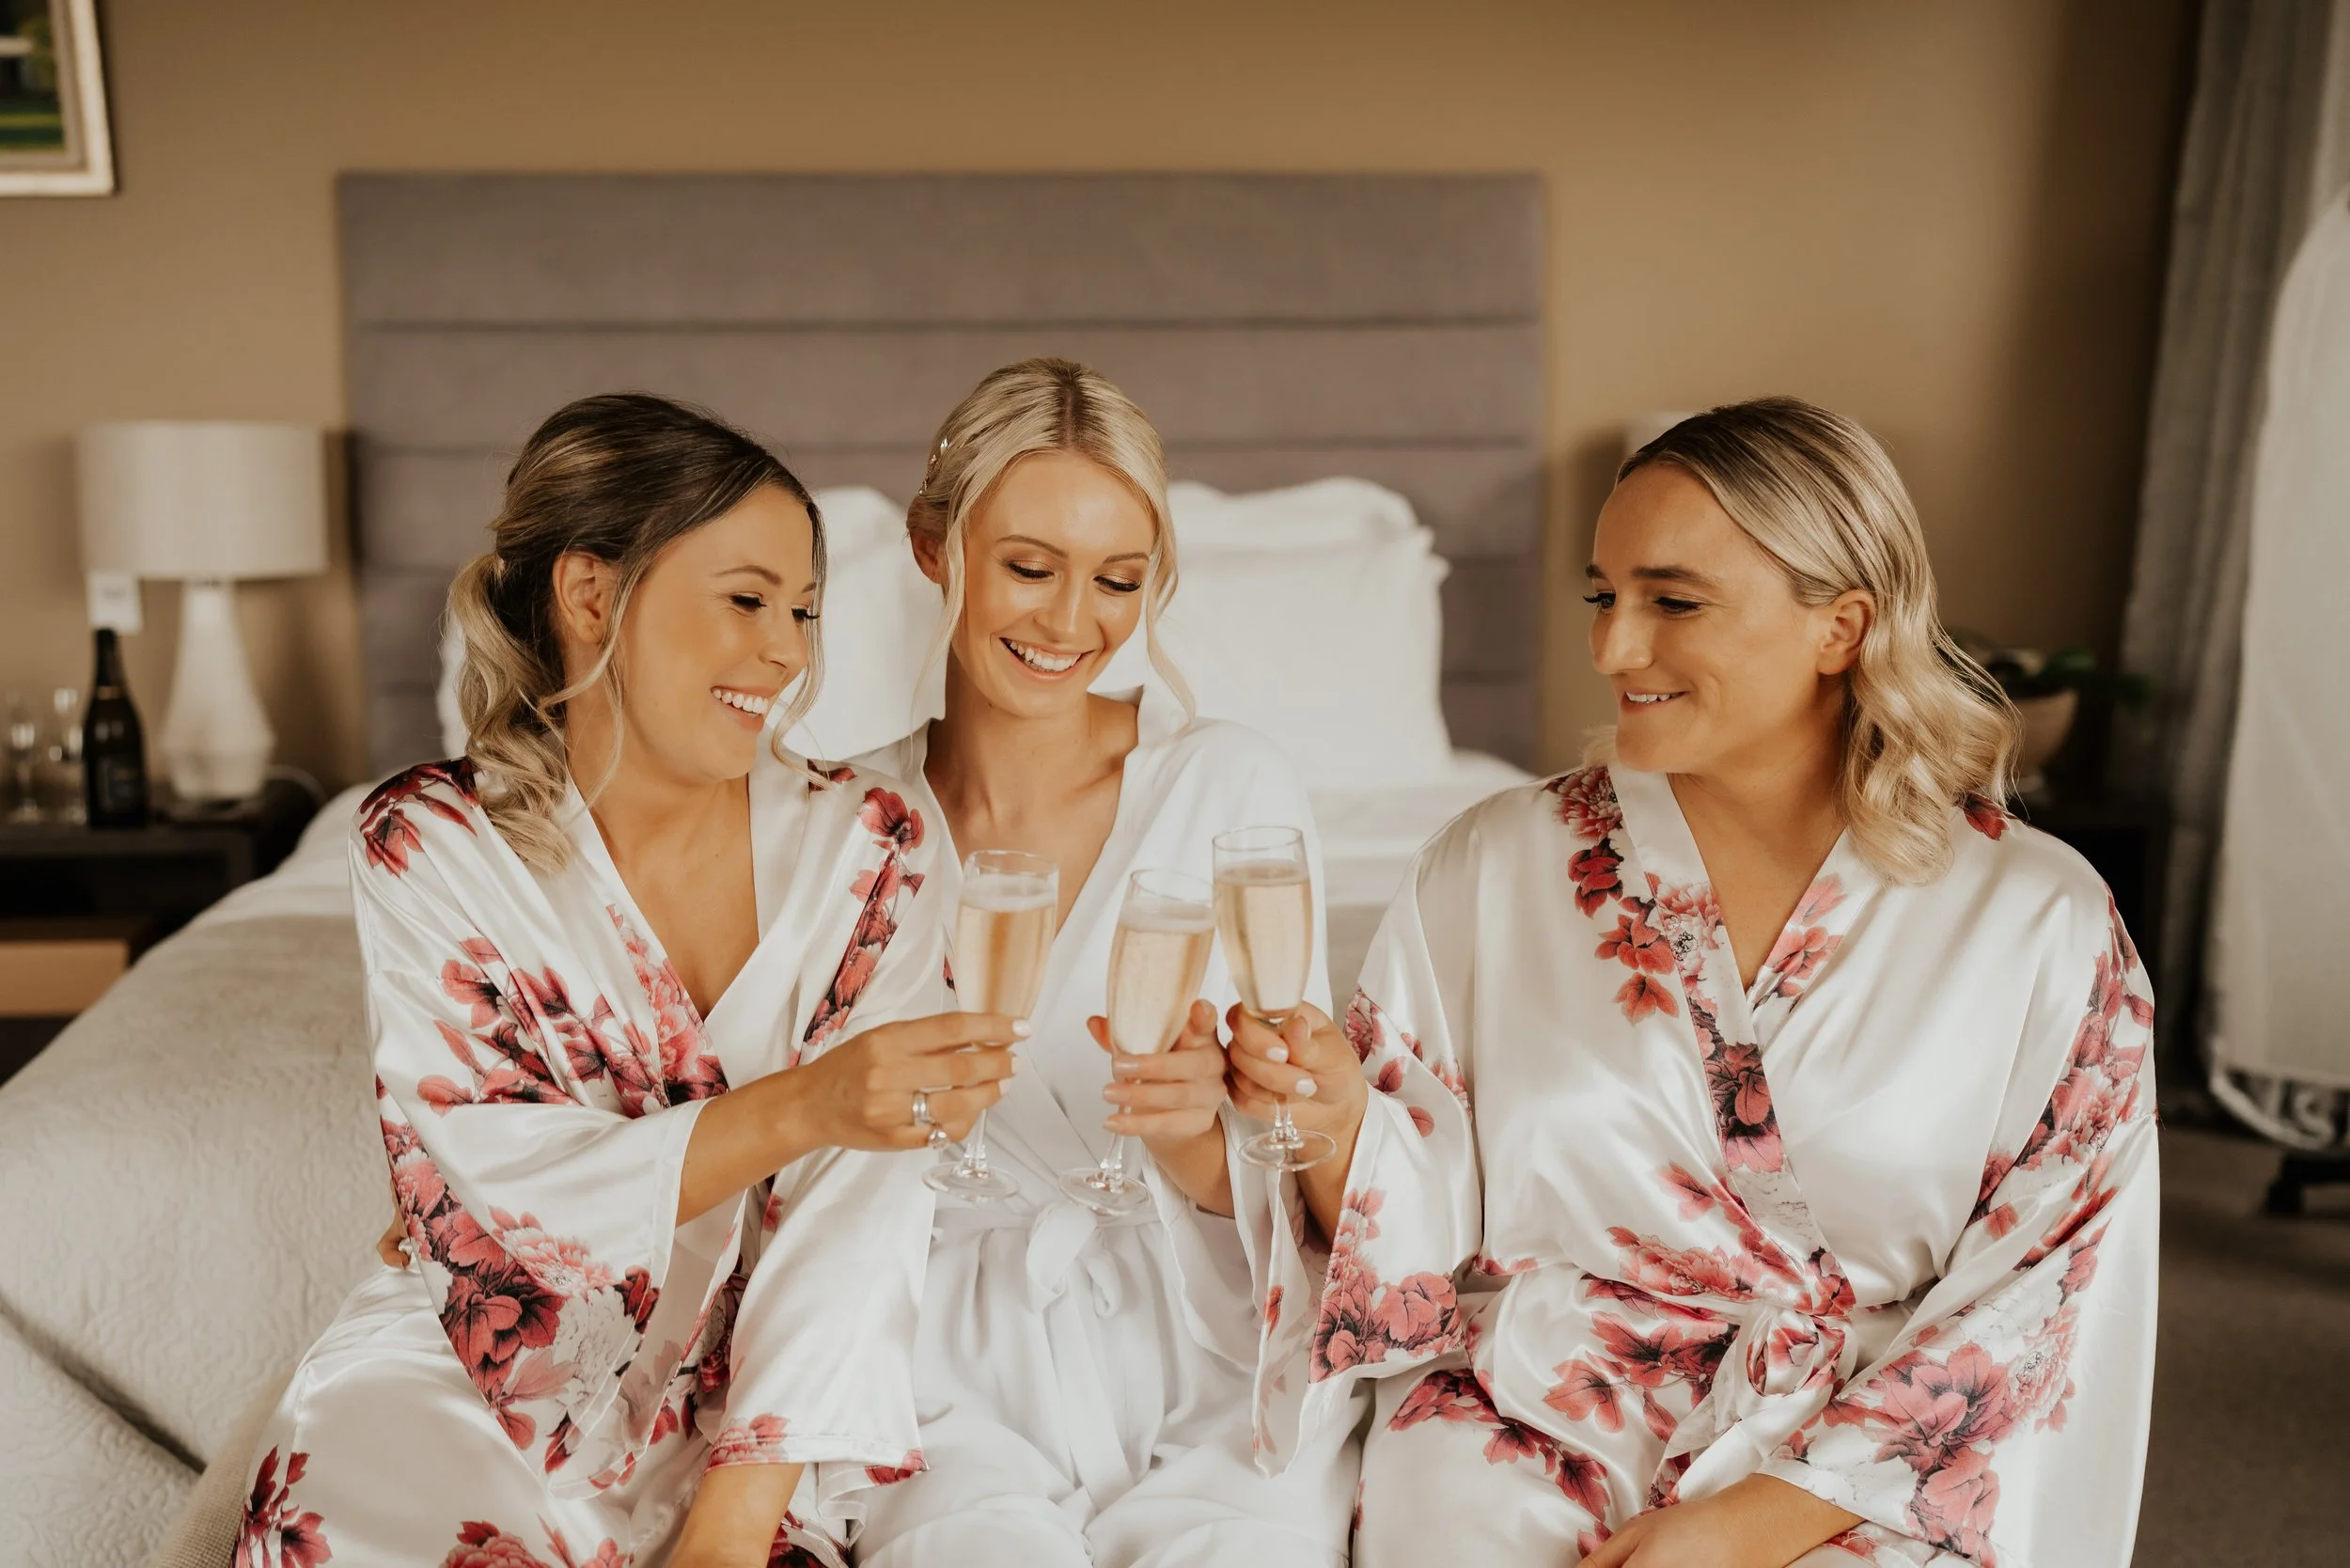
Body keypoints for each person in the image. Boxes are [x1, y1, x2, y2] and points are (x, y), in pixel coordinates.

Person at [1223, 397, 2159, 1567]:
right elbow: (1415, 1245)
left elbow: (2048, 1284)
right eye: (1601, 597)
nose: (1615, 649)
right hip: (1526, 1421)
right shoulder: (1494, 866)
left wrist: (1749, 1524)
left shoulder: (2039, 921)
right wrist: (1333, 1120)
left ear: (1841, 626)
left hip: (1862, 1465)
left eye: (1673, 601)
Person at [240, 394, 1019, 1568]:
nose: (790, 651)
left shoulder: (870, 847)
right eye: (748, 600)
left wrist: (736, 1516)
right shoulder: (430, 842)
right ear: (592, 593)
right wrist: (807, 1105)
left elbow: (863, 1209)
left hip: (754, 1394)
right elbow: (483, 1188)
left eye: (804, 610)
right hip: (469, 1373)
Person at [838, 358, 1359, 1567]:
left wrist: (1190, 1141)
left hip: (1209, 1358)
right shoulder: (843, 823)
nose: (1072, 625)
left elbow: (1299, 1178)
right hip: (941, 1377)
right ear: (933, 545)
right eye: (1029, 567)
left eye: (1118, 581)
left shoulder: (1228, 789)